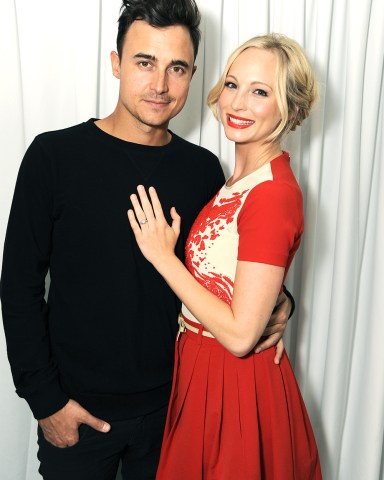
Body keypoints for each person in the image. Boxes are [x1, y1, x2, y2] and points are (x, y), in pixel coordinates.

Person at [0, 2, 293, 480]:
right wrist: (46, 401)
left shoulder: (202, 170)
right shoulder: (54, 157)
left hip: (176, 410)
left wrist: (282, 302)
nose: (160, 84)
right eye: (144, 62)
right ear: (116, 63)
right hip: (77, 411)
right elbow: (18, 288)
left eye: (176, 67)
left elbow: (221, 266)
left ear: (193, 74)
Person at [128, 33, 322, 479]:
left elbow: (239, 336)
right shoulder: (236, 182)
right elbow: (244, 280)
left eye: (260, 92)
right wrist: (280, 299)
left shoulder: (273, 194)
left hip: (234, 384)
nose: (238, 103)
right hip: (200, 369)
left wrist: (163, 257)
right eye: (233, 85)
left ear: (289, 109)